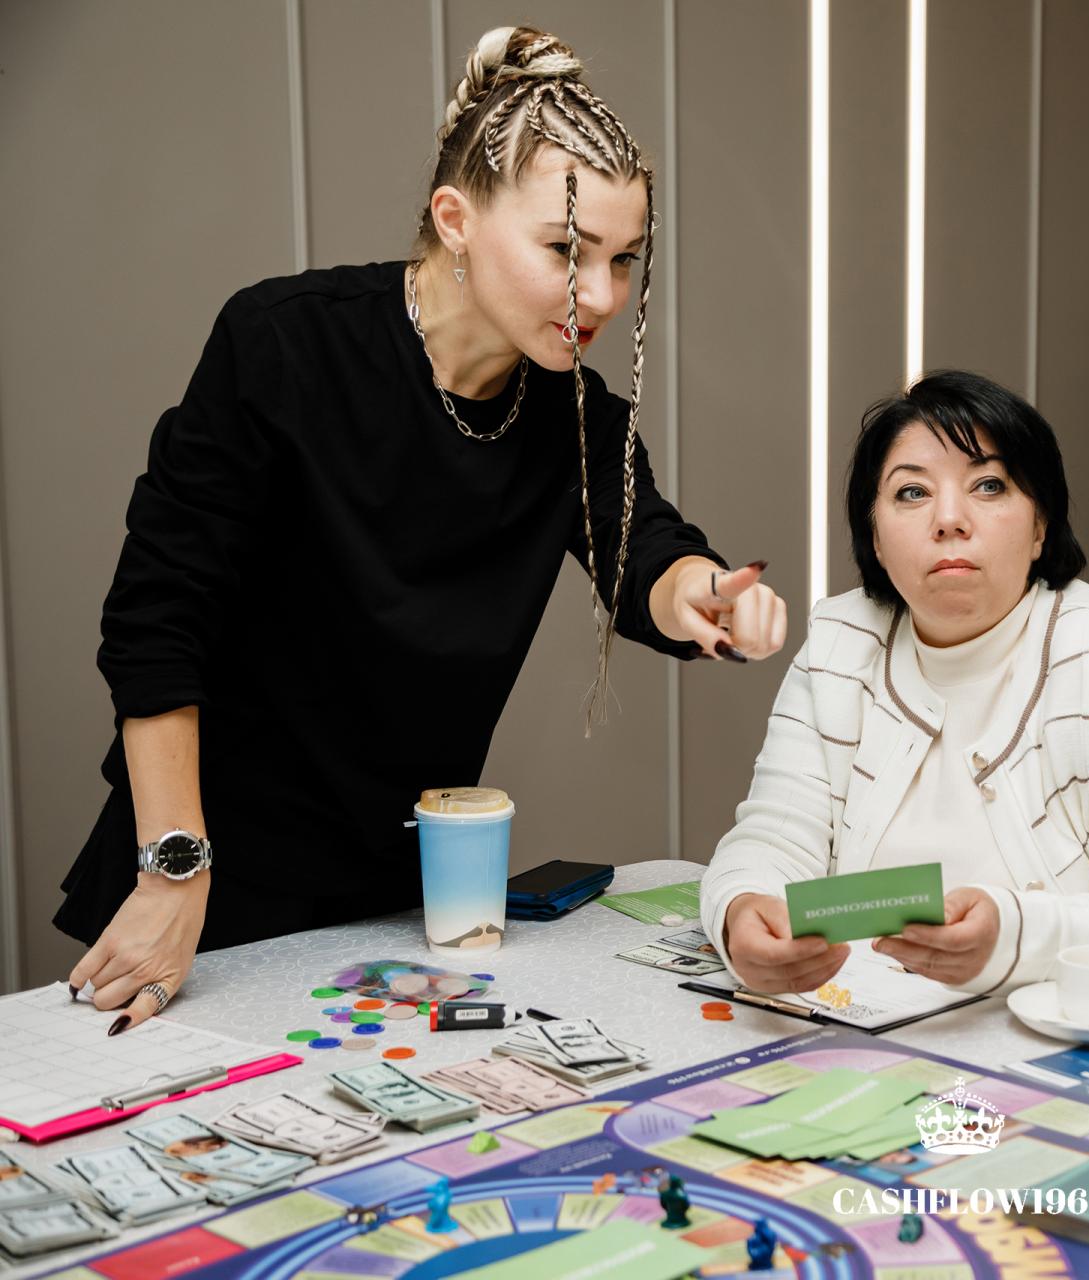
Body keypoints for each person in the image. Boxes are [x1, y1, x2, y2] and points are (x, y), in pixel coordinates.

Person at [59, 26, 788, 1034]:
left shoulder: (577, 421)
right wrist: (174, 868)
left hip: (396, 897)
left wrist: (703, 592)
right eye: (566, 251)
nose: (601, 296)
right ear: (456, 220)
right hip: (196, 871)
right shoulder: (285, 346)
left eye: (624, 259)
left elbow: (647, 557)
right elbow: (156, 621)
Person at [700, 371, 1089, 1004]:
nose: (949, 520)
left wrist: (1012, 936)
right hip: (922, 1025)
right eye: (912, 492)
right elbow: (773, 834)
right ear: (874, 537)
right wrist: (742, 910)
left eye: (989, 485)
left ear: (1040, 526)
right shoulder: (838, 643)